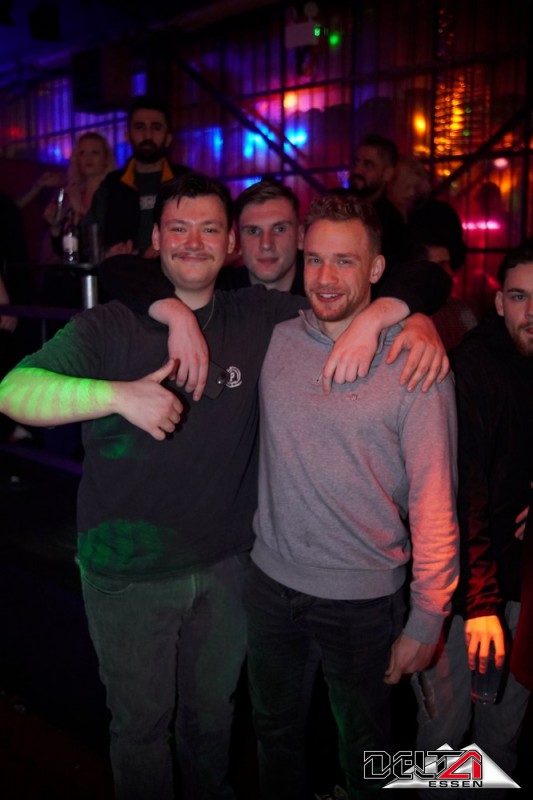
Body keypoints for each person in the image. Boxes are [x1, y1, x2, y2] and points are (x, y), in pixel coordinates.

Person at [0, 171, 447, 800]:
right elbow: (13, 390)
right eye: (178, 228)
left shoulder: (261, 317)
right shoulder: (110, 325)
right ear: (157, 239)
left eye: (209, 228)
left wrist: (399, 318)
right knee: (142, 730)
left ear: (229, 243)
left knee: (217, 724)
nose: (193, 241)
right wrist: (119, 394)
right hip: (130, 571)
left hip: (235, 571)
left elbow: (403, 279)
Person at [244, 193, 459, 799]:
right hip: (269, 586)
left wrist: (428, 617)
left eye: (345, 261)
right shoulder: (276, 339)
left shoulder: (414, 362)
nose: (326, 277)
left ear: (377, 269)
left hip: (362, 602)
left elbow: (435, 501)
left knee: (368, 759)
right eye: (316, 260)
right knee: (274, 736)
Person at [413, 243, 533, 797]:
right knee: (440, 746)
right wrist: (480, 605)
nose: (531, 312)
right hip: (466, 594)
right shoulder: (473, 368)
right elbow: (462, 493)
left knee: (500, 744)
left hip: (523, 590)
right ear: (500, 302)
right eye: (520, 297)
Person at [87, 95, 189, 258]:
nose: (147, 135)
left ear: (168, 138)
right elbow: (86, 238)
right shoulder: (112, 185)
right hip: (122, 272)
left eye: (156, 128)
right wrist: (107, 254)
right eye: (139, 127)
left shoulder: (187, 182)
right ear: (127, 136)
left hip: (175, 273)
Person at [42, 131, 116, 258]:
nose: (88, 158)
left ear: (106, 158)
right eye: (82, 153)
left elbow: (109, 238)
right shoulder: (72, 192)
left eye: (95, 152)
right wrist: (55, 226)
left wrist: (80, 209)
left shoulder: (114, 193)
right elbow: (61, 249)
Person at [348, 133, 411, 264]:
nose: (357, 170)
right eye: (356, 162)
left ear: (387, 173)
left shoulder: (391, 222)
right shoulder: (334, 203)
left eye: (368, 165)